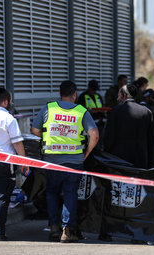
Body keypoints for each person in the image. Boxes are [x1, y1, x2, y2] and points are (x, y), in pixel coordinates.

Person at [31, 80, 99, 243]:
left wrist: (49, 138)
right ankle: (67, 230)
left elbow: (34, 130)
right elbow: (95, 135)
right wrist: (87, 151)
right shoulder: (81, 111)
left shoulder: (49, 108)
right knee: (70, 194)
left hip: (52, 160)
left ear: (60, 93)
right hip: (74, 161)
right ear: (75, 94)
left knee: (52, 192)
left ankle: (54, 227)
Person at [0, 88, 29, 241]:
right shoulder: (9, 119)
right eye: (10, 102)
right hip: (4, 164)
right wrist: (24, 162)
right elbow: (18, 143)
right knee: (1, 197)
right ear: (6, 102)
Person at [104, 85, 154, 169]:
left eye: (118, 96)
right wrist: (150, 162)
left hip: (119, 159)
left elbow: (109, 137)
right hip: (141, 159)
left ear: (124, 95)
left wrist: (107, 155)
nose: (117, 99)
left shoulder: (116, 111)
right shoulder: (147, 112)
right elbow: (151, 141)